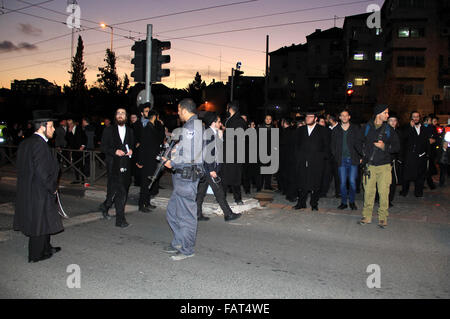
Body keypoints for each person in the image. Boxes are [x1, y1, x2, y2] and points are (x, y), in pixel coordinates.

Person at [14, 110, 63, 263]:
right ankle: (36, 254)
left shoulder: (27, 142)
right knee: (38, 223)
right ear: (42, 127)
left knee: (44, 220)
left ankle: (46, 248)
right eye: (51, 126)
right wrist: (52, 187)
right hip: (39, 191)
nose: (53, 129)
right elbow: (42, 173)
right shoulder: (39, 145)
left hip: (30, 190)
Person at [162, 98, 204, 261]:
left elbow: (190, 155)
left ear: (184, 110)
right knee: (172, 212)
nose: (178, 113)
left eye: (179, 110)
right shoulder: (192, 126)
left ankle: (187, 249)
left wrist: (172, 162)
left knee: (186, 215)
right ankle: (179, 242)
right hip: (182, 177)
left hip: (187, 177)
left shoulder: (192, 127)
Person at [359, 105, 400, 228]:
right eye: (385, 113)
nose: (387, 115)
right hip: (370, 166)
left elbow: (397, 147)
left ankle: (383, 217)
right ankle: (366, 216)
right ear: (378, 114)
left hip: (384, 166)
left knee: (383, 193)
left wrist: (384, 147)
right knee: (369, 192)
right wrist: (362, 156)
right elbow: (358, 142)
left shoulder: (389, 130)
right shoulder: (367, 128)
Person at [196, 112, 241, 222]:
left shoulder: (214, 133)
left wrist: (220, 138)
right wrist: (211, 169)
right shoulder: (208, 134)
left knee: (201, 193)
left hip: (208, 168)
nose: (220, 123)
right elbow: (208, 153)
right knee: (219, 192)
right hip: (209, 169)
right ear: (213, 123)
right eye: (219, 121)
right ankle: (228, 214)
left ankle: (197, 214)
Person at [99, 108, 135, 228]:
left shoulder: (130, 131)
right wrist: (115, 151)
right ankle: (113, 213)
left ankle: (112, 212)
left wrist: (131, 151)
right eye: (118, 113)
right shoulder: (109, 130)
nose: (120, 115)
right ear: (115, 116)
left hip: (125, 166)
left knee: (120, 192)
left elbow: (132, 146)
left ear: (126, 117)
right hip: (113, 166)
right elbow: (103, 147)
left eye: (123, 113)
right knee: (116, 192)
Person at [293, 110, 330, 211]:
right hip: (302, 161)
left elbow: (326, 146)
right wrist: (298, 158)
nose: (307, 118)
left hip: (317, 162)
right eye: (307, 117)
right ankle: (301, 203)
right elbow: (296, 146)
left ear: (315, 119)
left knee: (315, 183)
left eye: (310, 117)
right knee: (302, 183)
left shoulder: (322, 130)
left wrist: (322, 158)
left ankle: (314, 203)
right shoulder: (300, 130)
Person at [331, 109, 362, 210]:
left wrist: (361, 156)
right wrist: (335, 156)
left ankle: (352, 201)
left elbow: (359, 143)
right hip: (341, 160)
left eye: (346, 115)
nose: (344, 117)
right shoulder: (336, 130)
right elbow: (332, 145)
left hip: (353, 159)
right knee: (343, 182)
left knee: (352, 182)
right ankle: (344, 202)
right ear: (339, 117)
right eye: (342, 115)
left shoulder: (355, 128)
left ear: (349, 117)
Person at [136, 109, 165, 213]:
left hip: (152, 160)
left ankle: (147, 202)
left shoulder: (153, 127)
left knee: (150, 182)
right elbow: (143, 146)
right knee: (145, 183)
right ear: (155, 117)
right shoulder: (147, 128)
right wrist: (140, 161)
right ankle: (141, 204)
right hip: (147, 160)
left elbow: (160, 138)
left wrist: (161, 126)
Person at [400, 111, 433, 198]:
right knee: (407, 176)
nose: (415, 118)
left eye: (417, 116)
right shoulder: (406, 127)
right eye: (414, 117)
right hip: (410, 156)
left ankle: (418, 192)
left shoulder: (424, 128)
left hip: (421, 156)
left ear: (420, 118)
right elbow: (403, 138)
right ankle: (404, 191)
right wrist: (411, 127)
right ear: (411, 118)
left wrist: (427, 154)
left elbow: (427, 142)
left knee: (420, 176)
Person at [222, 101, 247, 205]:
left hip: (235, 152)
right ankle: (221, 197)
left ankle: (238, 198)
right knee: (224, 175)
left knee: (235, 175)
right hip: (228, 151)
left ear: (230, 108)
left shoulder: (239, 120)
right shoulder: (229, 119)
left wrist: (225, 131)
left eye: (227, 108)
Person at [66, 117, 87, 184]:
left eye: (71, 123)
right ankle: (77, 179)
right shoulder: (68, 129)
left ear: (73, 123)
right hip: (73, 149)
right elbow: (66, 139)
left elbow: (85, 137)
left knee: (81, 164)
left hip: (80, 149)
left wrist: (83, 146)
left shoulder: (79, 128)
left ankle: (83, 179)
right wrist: (69, 132)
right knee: (75, 165)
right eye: (68, 124)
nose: (70, 125)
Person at [387, 113, 402, 207]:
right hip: (384, 160)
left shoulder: (399, 133)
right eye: (391, 120)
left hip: (394, 160)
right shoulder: (384, 131)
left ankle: (389, 199)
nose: (393, 122)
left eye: (394, 120)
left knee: (392, 181)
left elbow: (401, 147)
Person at [257, 114, 274, 191]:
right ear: (264, 119)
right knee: (261, 170)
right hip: (261, 151)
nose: (268, 120)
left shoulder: (273, 128)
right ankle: (259, 186)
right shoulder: (260, 128)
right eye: (266, 119)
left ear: (271, 120)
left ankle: (268, 185)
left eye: (269, 119)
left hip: (270, 152)